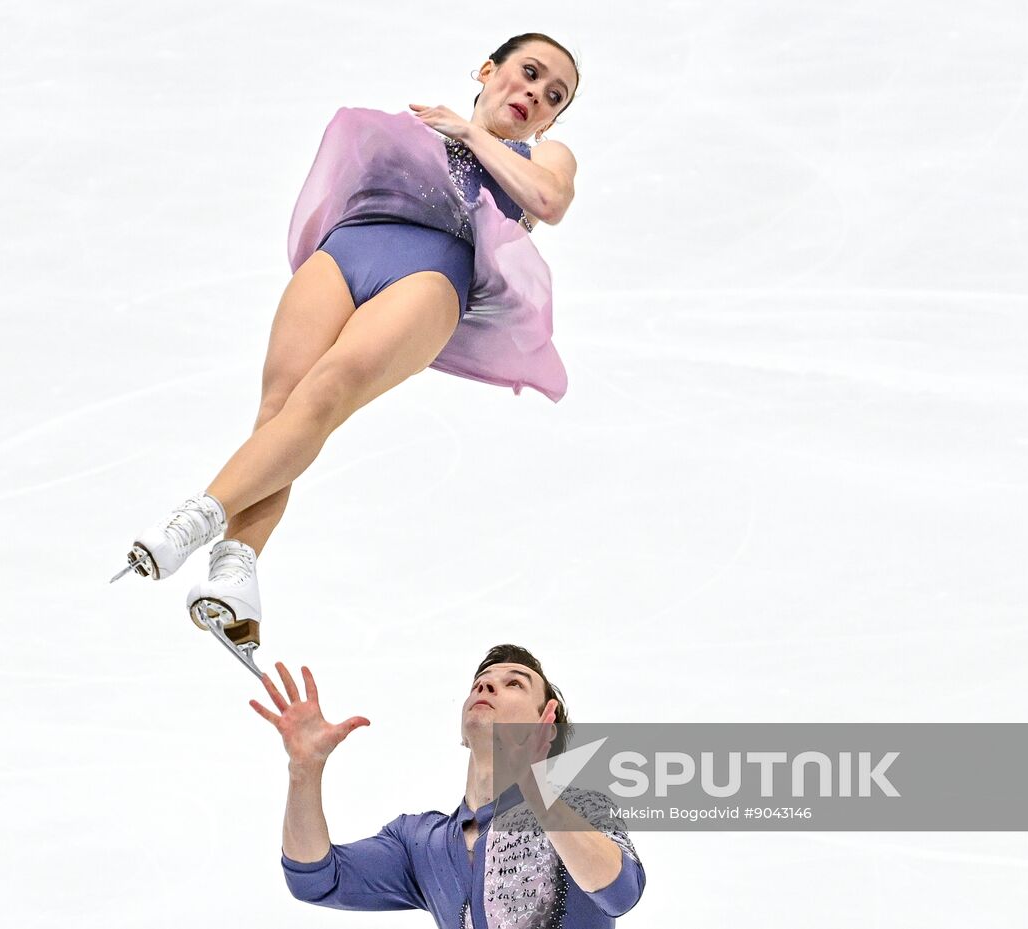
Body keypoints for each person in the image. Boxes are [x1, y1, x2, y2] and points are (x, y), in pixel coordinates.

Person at [111, 34, 582, 660]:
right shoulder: (422, 127)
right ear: (487, 70)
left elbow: (549, 201)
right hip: (350, 248)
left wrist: (471, 135)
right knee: (280, 410)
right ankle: (237, 574)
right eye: (528, 72)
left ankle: (195, 518)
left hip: (432, 274)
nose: (535, 93)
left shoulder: (546, 152)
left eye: (554, 94)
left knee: (328, 389)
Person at [252, 645, 646, 927]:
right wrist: (304, 771)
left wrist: (533, 784)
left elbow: (618, 893)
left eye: (514, 684)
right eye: (481, 682)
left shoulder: (580, 810)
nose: (486, 687)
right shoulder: (421, 841)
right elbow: (316, 880)